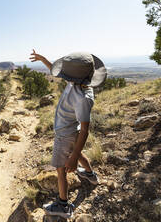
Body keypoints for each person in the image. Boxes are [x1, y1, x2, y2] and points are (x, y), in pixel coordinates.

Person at [29, 49, 107, 219]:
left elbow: (85, 131)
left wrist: (72, 158)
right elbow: (57, 72)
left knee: (60, 168)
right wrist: (43, 59)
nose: (64, 76)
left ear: (75, 77)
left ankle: (63, 205)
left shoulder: (83, 98)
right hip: (71, 131)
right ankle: (90, 175)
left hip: (65, 134)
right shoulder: (76, 82)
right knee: (77, 153)